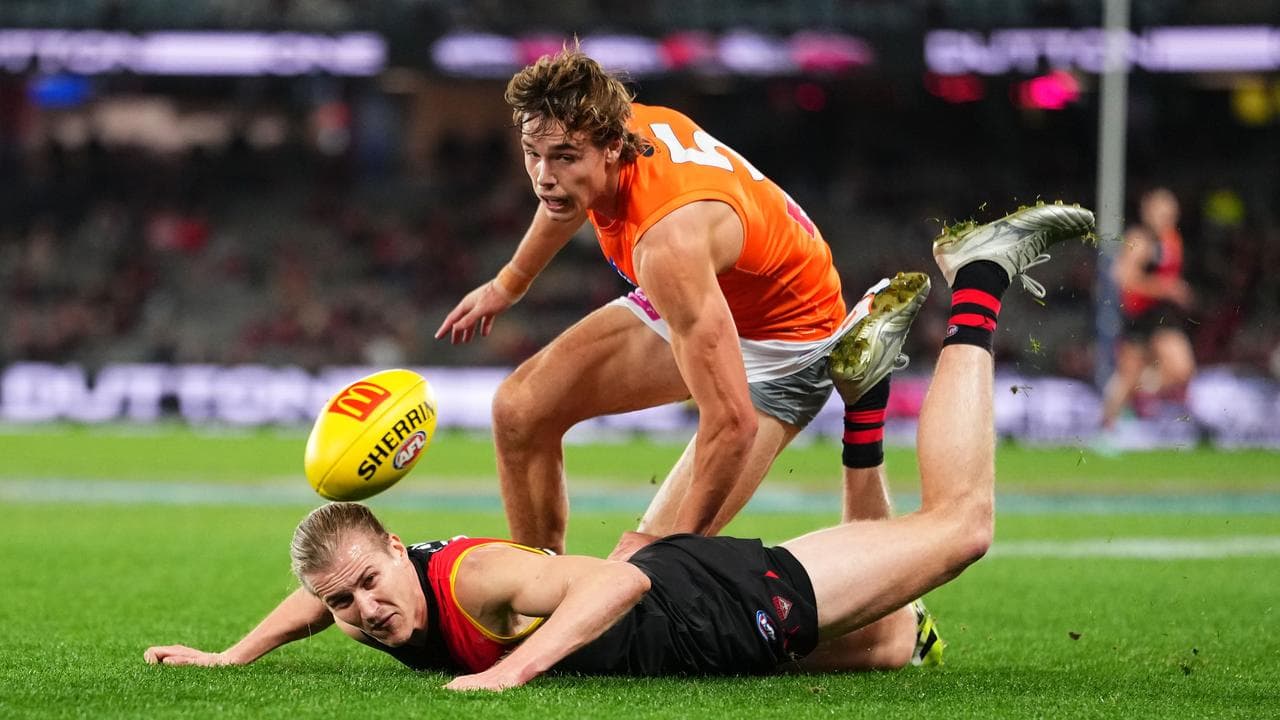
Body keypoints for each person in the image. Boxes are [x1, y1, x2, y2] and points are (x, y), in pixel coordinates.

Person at [145, 204, 1096, 690]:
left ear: (400, 547)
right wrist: (237, 655)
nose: (359, 610)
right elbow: (326, 586)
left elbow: (620, 585)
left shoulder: (468, 583)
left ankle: (978, 274)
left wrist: (511, 671)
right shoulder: (385, 582)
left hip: (717, 608)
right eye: (341, 602)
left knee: (961, 528)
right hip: (695, 597)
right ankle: (861, 392)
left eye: (364, 586)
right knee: (889, 637)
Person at [432, 48, 924, 566]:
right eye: (533, 153)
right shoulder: (603, 130)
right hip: (714, 293)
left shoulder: (666, 241)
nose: (542, 176)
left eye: (564, 157)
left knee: (643, 582)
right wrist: (509, 283)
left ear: (612, 147)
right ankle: (537, 590)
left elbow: (733, 423)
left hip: (787, 343)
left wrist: (671, 551)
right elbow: (565, 198)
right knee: (519, 412)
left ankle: (899, 618)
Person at [1101, 187, 1196, 429]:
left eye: (1172, 214)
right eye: (1162, 213)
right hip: (1138, 316)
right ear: (1148, 212)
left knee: (1181, 368)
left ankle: (1135, 398)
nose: (1168, 219)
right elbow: (1123, 278)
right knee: (1128, 376)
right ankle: (1106, 430)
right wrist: (1166, 288)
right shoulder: (1140, 239)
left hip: (1160, 316)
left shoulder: (1172, 240)